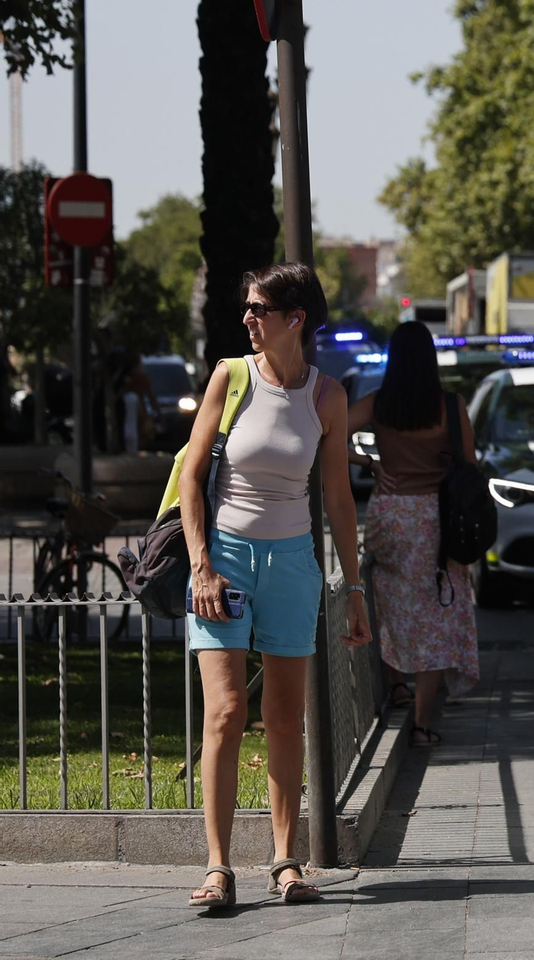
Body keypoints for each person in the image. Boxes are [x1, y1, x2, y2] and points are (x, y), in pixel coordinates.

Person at [181, 263, 371, 909]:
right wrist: (202, 562)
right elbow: (190, 476)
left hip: (292, 559)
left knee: (283, 716)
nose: (246, 318)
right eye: (247, 308)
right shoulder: (230, 378)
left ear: (295, 319)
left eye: (258, 308)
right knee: (227, 711)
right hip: (225, 559)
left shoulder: (327, 397)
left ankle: (285, 860)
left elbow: (339, 498)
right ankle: (217, 866)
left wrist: (354, 585)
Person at [347, 321, 480, 748]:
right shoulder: (450, 406)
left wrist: (368, 463)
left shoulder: (378, 404)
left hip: (390, 513)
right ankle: (422, 725)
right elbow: (470, 463)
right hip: (435, 518)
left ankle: (396, 682)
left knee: (388, 595)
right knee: (435, 616)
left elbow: (324, 437)